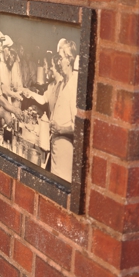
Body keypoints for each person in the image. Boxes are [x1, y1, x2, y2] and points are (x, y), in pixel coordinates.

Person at [50, 40, 78, 182]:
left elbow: (78, 126)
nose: (59, 62)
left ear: (68, 59)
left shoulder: (74, 86)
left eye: (61, 58)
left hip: (65, 151)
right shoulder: (62, 84)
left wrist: (60, 129)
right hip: (56, 148)